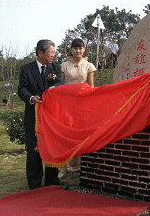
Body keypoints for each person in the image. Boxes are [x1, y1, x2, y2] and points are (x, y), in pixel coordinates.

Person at [18, 39, 63, 190]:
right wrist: (31, 98)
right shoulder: (26, 69)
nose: (53, 56)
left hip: (50, 117)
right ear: (40, 53)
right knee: (33, 149)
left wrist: (52, 90)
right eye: (50, 52)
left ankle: (52, 181)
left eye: (54, 53)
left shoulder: (55, 68)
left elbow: (59, 84)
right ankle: (34, 183)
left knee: (51, 147)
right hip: (33, 115)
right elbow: (22, 89)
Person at [58, 38, 97, 178]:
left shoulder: (89, 66)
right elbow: (59, 85)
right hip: (66, 105)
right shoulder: (63, 66)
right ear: (71, 49)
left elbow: (91, 86)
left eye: (80, 48)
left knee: (81, 135)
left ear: (84, 49)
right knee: (65, 134)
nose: (78, 51)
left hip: (82, 105)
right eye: (75, 48)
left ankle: (81, 166)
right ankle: (64, 166)